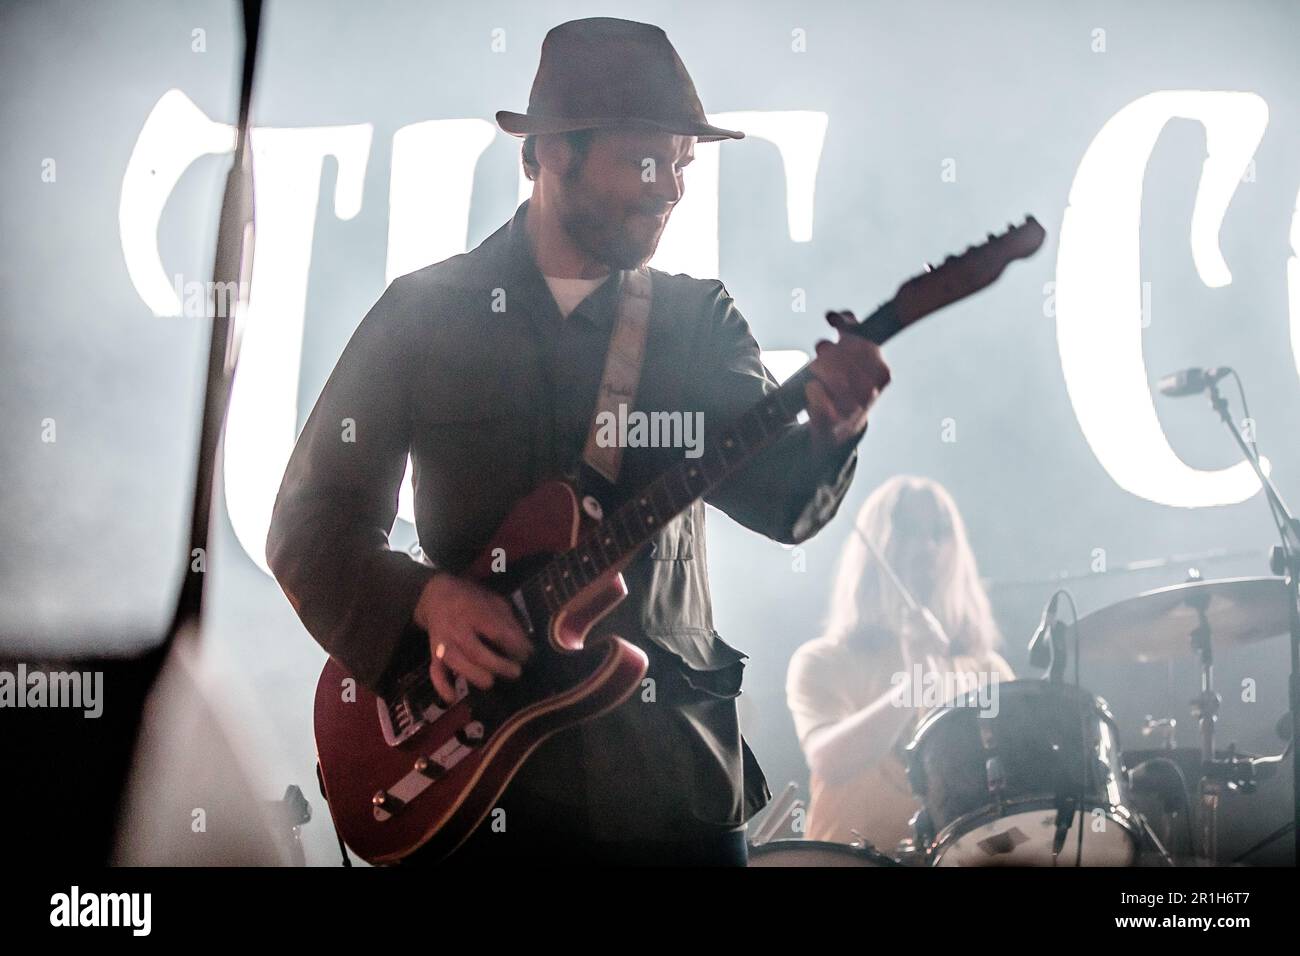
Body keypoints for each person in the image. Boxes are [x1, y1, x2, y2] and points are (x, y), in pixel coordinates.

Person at [266, 17, 892, 866]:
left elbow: (784, 503)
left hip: (670, 787)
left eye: (683, 163)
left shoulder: (695, 321)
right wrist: (428, 601)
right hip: (475, 790)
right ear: (553, 152)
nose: (671, 186)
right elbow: (309, 529)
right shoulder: (423, 315)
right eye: (647, 160)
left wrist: (836, 427)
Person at [786, 475, 1014, 854]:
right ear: (873, 552)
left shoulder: (989, 672)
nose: (925, 546)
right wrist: (917, 683)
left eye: (938, 533)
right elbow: (830, 761)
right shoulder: (822, 660)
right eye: (907, 530)